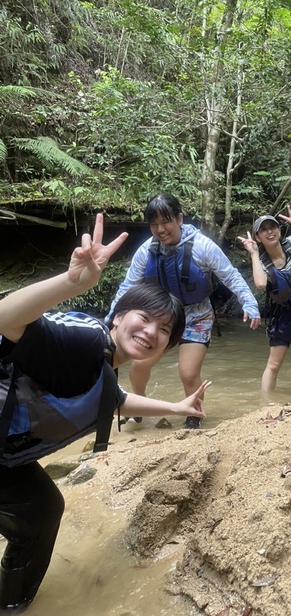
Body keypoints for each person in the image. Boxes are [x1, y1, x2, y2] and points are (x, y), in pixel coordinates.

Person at [0, 214, 208, 613]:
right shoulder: (83, 342)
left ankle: (13, 606)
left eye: (165, 331)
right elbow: (8, 319)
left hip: (5, 459)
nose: (152, 332)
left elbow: (114, 399)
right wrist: (70, 283)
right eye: (144, 318)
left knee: (42, 512)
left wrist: (176, 407)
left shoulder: (104, 367)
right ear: (117, 316)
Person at [106, 193, 260, 428]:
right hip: (162, 318)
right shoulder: (147, 250)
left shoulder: (202, 246)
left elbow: (230, 276)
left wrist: (249, 303)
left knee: (188, 373)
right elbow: (128, 285)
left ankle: (193, 417)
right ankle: (138, 409)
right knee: (138, 367)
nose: (160, 229)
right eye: (154, 224)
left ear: (179, 219)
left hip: (196, 316)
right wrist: (111, 318)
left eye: (165, 221)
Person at [238, 209, 291, 393]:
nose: (270, 232)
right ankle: (265, 405)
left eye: (273, 227)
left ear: (279, 230)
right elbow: (260, 284)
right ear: (258, 237)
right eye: (264, 230)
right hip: (287, 314)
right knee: (274, 365)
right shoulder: (261, 261)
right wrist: (252, 253)